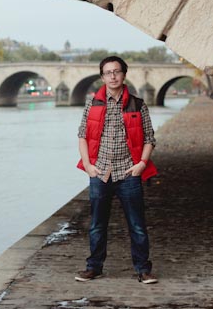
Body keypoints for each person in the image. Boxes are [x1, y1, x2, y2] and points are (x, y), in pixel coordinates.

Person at [75, 56, 158, 284]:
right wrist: (89, 167)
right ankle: (94, 267)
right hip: (100, 173)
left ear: (123, 74)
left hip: (128, 173)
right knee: (97, 225)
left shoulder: (138, 105)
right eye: (108, 72)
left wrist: (141, 164)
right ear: (102, 77)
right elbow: (82, 136)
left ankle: (143, 270)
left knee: (137, 226)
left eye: (117, 71)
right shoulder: (92, 104)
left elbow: (150, 138)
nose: (112, 76)